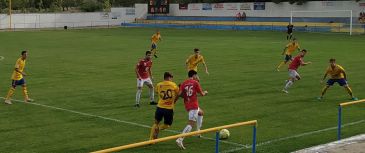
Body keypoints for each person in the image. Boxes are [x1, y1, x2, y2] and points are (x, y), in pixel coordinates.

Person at [176, 70, 208, 150]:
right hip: (193, 106)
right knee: (190, 124)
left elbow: (179, 94)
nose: (197, 77)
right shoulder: (195, 83)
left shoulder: (184, 83)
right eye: (196, 75)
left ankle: (198, 131)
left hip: (188, 105)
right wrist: (205, 92)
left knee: (201, 113)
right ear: (193, 75)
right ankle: (180, 139)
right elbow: (202, 94)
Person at [149, 72, 179, 140]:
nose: (172, 79)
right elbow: (178, 93)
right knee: (167, 125)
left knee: (156, 123)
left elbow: (157, 92)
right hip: (169, 108)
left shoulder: (159, 85)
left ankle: (150, 140)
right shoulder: (173, 85)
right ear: (168, 77)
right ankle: (159, 129)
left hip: (159, 107)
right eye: (171, 78)